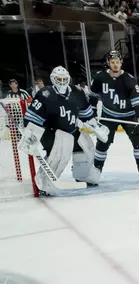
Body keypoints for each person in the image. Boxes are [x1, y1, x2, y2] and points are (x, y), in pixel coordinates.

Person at [19, 66, 109, 194]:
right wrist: (30, 136)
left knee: (86, 147)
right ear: (52, 79)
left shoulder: (77, 91)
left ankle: (83, 175)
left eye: (64, 79)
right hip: (50, 131)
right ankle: (45, 182)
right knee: (60, 154)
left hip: (72, 129)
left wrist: (96, 127)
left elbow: (86, 114)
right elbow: (32, 118)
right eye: (58, 79)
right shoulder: (45, 94)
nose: (61, 81)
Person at [89, 50, 139, 179]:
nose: (115, 65)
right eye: (112, 62)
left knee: (138, 140)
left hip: (129, 115)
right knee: (103, 141)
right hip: (108, 115)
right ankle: (97, 168)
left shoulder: (129, 79)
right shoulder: (100, 78)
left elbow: (137, 101)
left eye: (117, 62)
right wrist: (92, 111)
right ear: (108, 63)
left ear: (121, 63)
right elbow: (93, 96)